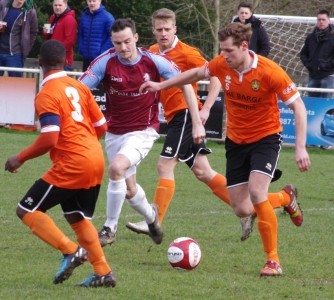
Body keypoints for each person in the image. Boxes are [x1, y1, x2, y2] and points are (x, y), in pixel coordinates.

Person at [139, 22, 311, 276]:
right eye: (222, 50)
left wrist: (300, 147)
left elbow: (298, 107)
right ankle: (286, 198)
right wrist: (160, 85)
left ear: (244, 47)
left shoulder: (270, 71)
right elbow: (195, 74)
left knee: (256, 192)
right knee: (242, 208)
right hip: (235, 141)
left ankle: (272, 260)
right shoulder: (222, 63)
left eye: (229, 50)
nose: (224, 56)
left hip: (266, 138)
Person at [79, 18, 205, 248]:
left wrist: (197, 122)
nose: (123, 48)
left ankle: (109, 228)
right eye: (118, 43)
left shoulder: (154, 61)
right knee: (128, 189)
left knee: (116, 168)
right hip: (115, 132)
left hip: (143, 131)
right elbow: (79, 90)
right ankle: (152, 219)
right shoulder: (104, 62)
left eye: (127, 41)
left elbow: (186, 84)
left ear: (136, 38)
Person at [4, 39, 116, 288]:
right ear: (66, 61)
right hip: (95, 158)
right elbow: (102, 126)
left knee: (26, 210)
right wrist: (83, 146)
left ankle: (69, 251)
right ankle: (103, 272)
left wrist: (18, 158)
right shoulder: (80, 88)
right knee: (76, 217)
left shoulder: (47, 93)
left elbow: (50, 138)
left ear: (40, 63)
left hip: (73, 164)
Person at [300, 9, 334, 98]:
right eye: (319, 20)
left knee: (325, 103)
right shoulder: (311, 37)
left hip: (328, 76)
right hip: (313, 75)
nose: (321, 22)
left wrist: (325, 66)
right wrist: (309, 64)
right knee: (312, 102)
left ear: (329, 21)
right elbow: (303, 54)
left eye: (323, 19)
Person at [0, 0, 38, 77]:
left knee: (16, 84)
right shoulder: (3, 5)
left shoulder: (29, 12)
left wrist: (26, 48)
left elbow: (33, 32)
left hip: (15, 54)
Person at [78, 0, 115, 71]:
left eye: (94, 1)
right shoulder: (84, 16)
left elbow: (112, 37)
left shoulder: (108, 17)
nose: (91, 3)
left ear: (100, 1)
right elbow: (80, 34)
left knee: (99, 82)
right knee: (84, 81)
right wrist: (81, 48)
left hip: (100, 60)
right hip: (86, 58)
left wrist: (101, 52)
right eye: (89, 1)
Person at [43, 0, 77, 71]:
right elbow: (47, 38)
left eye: (60, 5)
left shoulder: (69, 19)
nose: (57, 7)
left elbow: (70, 41)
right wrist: (45, 32)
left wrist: (55, 52)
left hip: (63, 61)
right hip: (52, 59)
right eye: (55, 5)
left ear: (65, 5)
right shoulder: (53, 17)